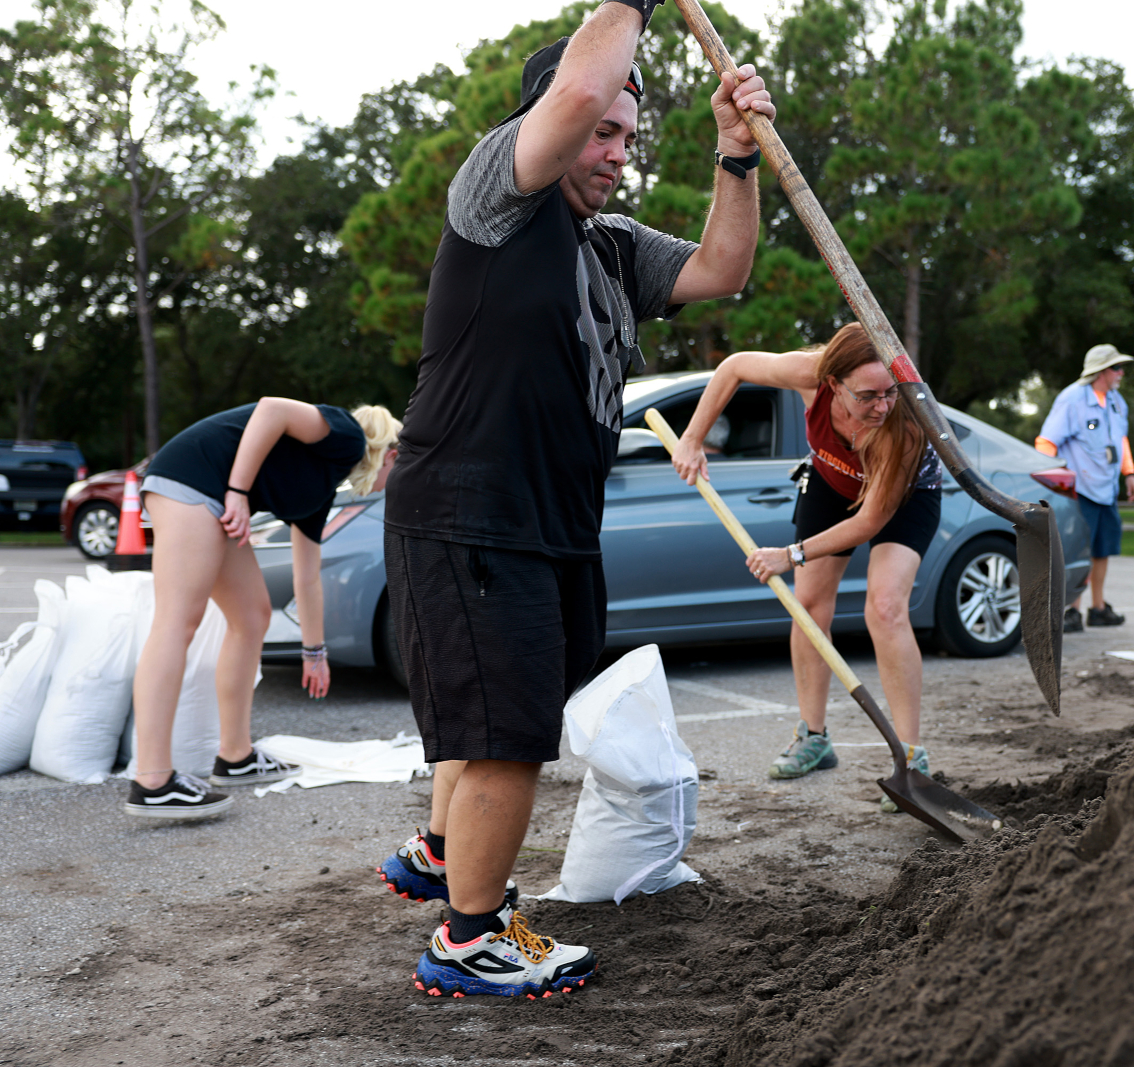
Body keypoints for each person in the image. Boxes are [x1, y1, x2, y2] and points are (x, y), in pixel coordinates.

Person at [375, 0, 774, 1001]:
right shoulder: (496, 196)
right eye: (601, 133)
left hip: (550, 525)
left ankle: (448, 863)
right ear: (549, 120)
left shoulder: (609, 245)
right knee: (507, 736)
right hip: (473, 510)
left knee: (500, 722)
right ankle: (468, 941)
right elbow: (587, 82)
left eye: (629, 138)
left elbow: (723, 269)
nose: (616, 151)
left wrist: (735, 156)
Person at [671, 323, 941, 809]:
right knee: (809, 605)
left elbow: (869, 521)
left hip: (905, 497)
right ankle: (813, 737)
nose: (882, 405)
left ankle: (911, 757)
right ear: (833, 384)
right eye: (867, 396)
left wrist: (790, 554)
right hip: (830, 478)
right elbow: (733, 368)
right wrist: (692, 439)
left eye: (889, 391)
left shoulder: (901, 425)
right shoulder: (808, 373)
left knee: (885, 608)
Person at [123, 399, 401, 820]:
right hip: (194, 480)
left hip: (215, 494)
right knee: (177, 622)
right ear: (392, 455)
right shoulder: (346, 435)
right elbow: (272, 409)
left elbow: (306, 576)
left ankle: (236, 756)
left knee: (252, 615)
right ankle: (153, 781)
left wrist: (315, 652)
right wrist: (237, 492)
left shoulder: (323, 487)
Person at [1035, 344, 1134, 630]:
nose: (1121, 373)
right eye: (1117, 368)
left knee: (1102, 549)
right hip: (1079, 490)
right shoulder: (1072, 399)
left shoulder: (1117, 402)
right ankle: (1071, 610)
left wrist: (1129, 473)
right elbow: (1046, 442)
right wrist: (1056, 483)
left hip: (1106, 489)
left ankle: (1098, 608)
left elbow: (1122, 441)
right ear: (1101, 372)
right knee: (1078, 550)